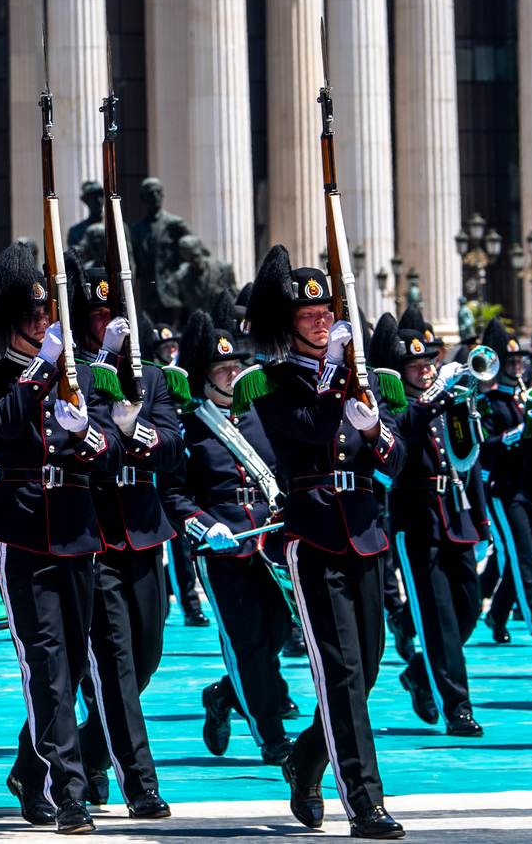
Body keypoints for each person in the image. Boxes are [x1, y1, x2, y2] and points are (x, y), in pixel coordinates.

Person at [0, 241, 112, 833]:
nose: (43, 324)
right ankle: (70, 791)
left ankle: (32, 769)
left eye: (47, 316)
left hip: (74, 525)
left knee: (75, 663)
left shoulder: (83, 374)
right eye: (33, 318)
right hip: (21, 529)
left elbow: (110, 449)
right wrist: (44, 369)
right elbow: (1, 428)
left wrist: (89, 434)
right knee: (44, 664)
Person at [244, 246, 404, 840]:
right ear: (290, 321)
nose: (319, 318)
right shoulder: (272, 381)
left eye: (327, 309)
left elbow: (395, 458)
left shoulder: (365, 379)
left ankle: (306, 757)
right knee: (338, 672)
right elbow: (305, 432)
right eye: (308, 312)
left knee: (366, 668)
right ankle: (365, 801)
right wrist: (337, 375)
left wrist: (377, 430)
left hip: (363, 529)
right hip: (313, 533)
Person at [50, 260, 176, 818]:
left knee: (146, 657)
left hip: (145, 531)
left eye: (114, 316)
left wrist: (136, 429)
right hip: (97, 532)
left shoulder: (151, 378)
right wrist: (100, 378)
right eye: (97, 318)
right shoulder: (74, 373)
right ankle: (141, 784)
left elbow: (173, 444)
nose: (108, 326)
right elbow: (73, 440)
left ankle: (50, 760)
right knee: (115, 662)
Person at [165, 310, 295, 766]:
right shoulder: (192, 429)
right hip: (224, 549)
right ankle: (271, 737)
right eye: (223, 369)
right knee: (249, 644)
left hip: (269, 543)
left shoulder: (259, 417)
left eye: (236, 367)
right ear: (206, 378)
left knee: (281, 630)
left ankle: (223, 693)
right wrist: (205, 525)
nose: (233, 374)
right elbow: (175, 496)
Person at [375, 311, 484, 737]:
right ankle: (457, 706)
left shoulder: (447, 399)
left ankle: (419, 672)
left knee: (468, 608)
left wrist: (480, 516)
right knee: (439, 619)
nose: (426, 371)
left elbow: (468, 458)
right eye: (417, 366)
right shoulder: (396, 406)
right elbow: (398, 440)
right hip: (417, 521)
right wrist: (433, 400)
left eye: (429, 364)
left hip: (455, 517)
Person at [480, 319, 532, 647]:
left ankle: (497, 612)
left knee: (529, 554)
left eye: (520, 360)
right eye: (512, 362)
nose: (518, 366)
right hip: (505, 490)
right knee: (521, 557)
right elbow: (483, 447)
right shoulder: (489, 403)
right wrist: (513, 435)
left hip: (530, 488)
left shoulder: (527, 400)